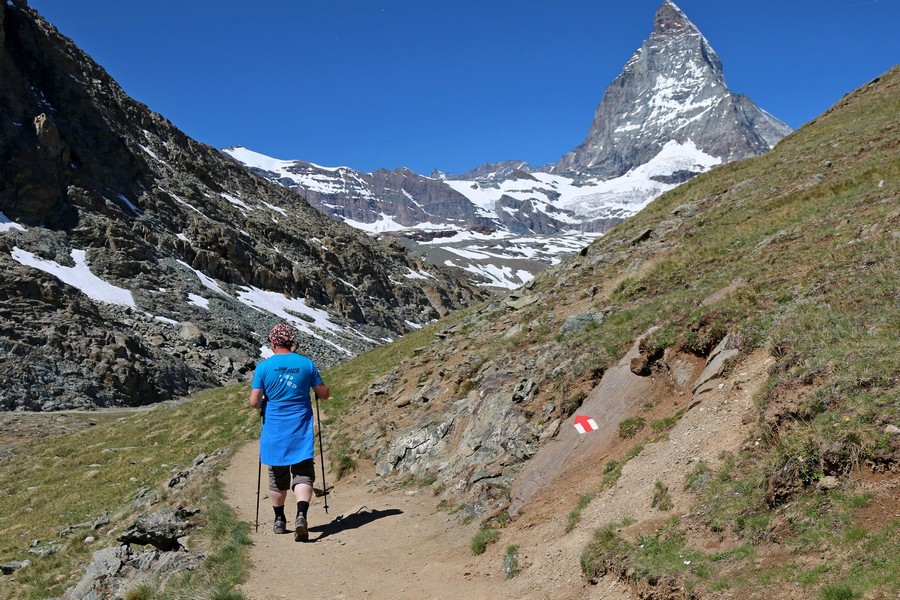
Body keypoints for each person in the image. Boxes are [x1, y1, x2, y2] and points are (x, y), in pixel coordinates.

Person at [248, 323, 329, 542]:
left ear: (273, 342)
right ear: (291, 342)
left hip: (275, 429)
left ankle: (279, 520)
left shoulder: (263, 368)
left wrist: (266, 399)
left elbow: (254, 402)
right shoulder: (306, 364)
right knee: (303, 472)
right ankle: (301, 515)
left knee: (277, 476)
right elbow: (324, 394)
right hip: (300, 428)